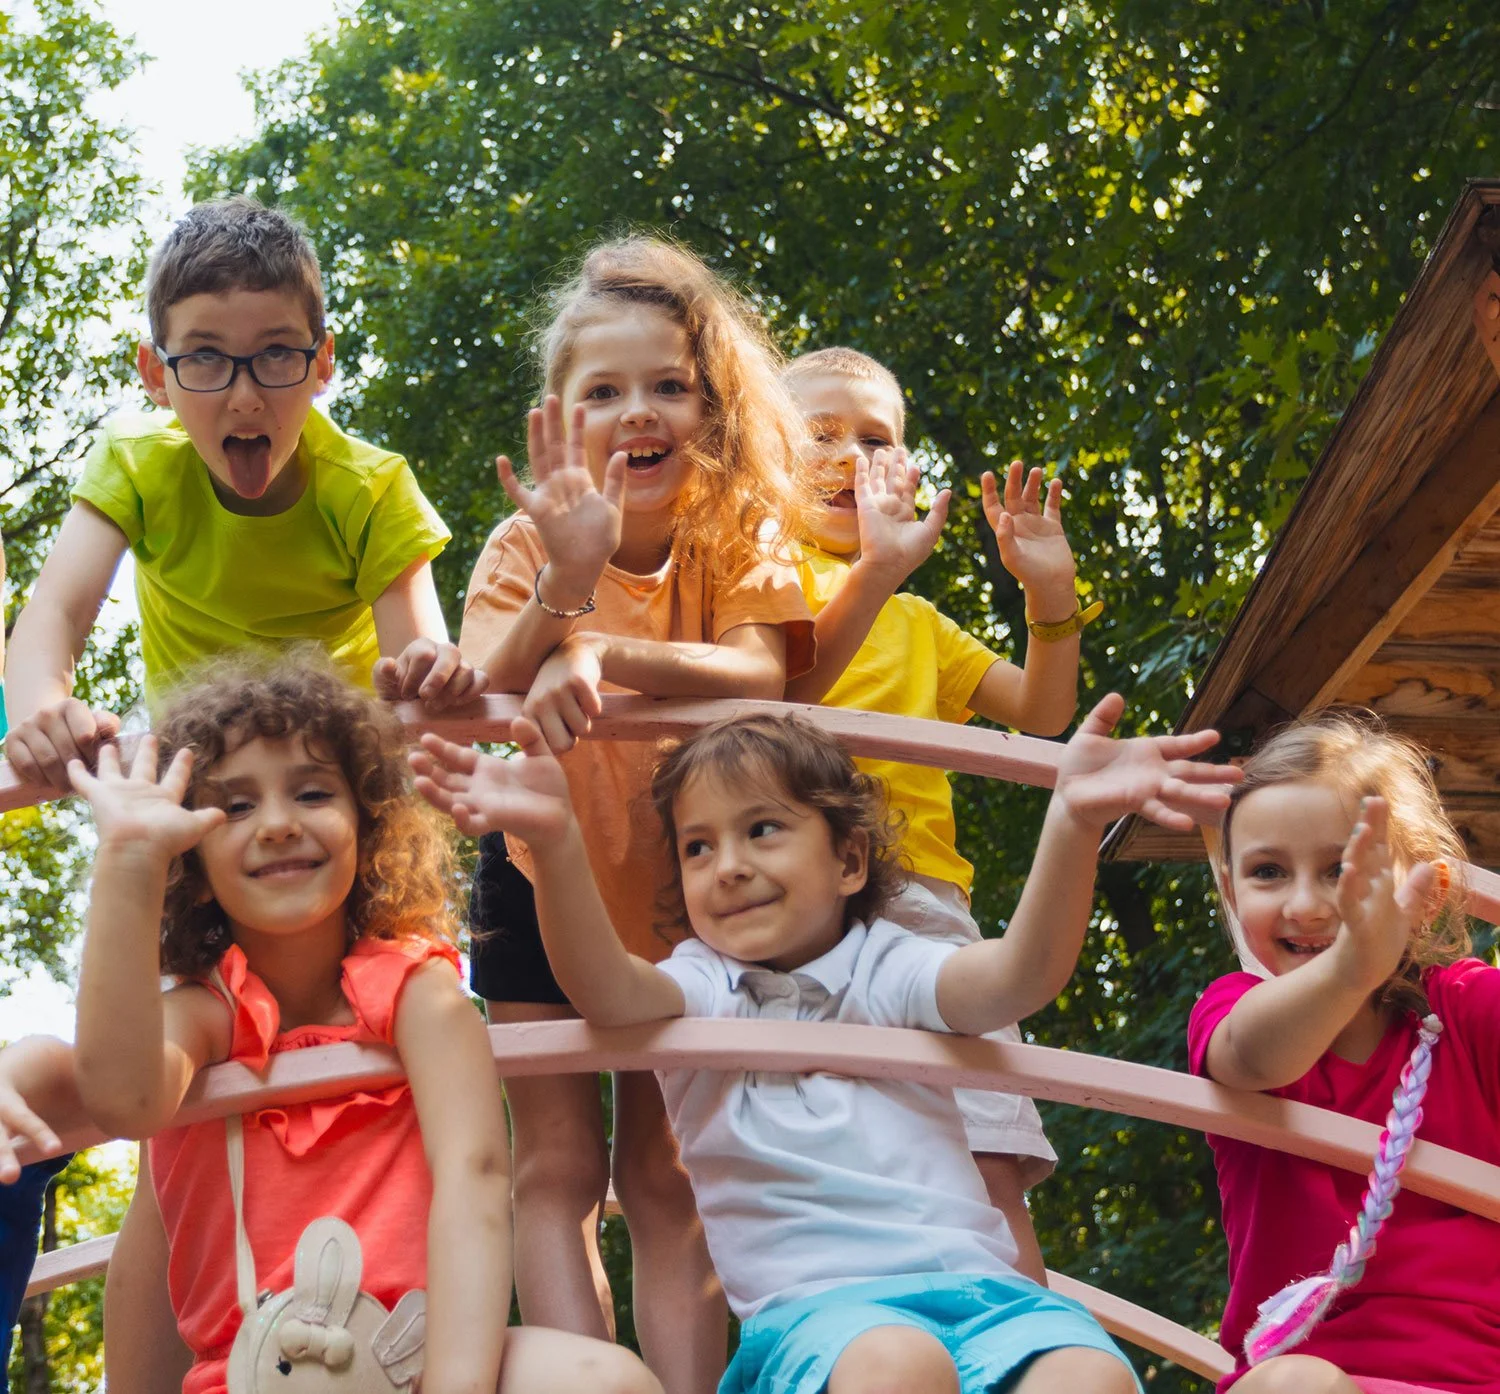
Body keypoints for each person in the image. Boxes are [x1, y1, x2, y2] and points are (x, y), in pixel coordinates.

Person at [411, 699, 1240, 1394]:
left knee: (1086, 1375)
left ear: (848, 858)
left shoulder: (889, 966)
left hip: (988, 1299)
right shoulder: (702, 988)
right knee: (895, 1364)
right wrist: (555, 848)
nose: (727, 866)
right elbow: (606, 990)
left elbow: (1016, 978)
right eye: (698, 846)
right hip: (819, 1325)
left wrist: (1071, 821)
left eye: (762, 829)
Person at [0, 655, 660, 1394]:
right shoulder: (207, 1013)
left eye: (312, 792)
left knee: (606, 1380)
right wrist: (129, 861)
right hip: (256, 1374)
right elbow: (124, 1098)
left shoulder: (418, 993)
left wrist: (456, 1387)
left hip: (422, 1359)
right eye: (237, 806)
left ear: (366, 818)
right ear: (188, 847)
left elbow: (474, 1177)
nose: (279, 824)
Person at [459, 237, 814, 1390]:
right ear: (556, 420)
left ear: (712, 407)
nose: (637, 412)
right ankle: (588, 1379)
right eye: (601, 392)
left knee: (669, 1170)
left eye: (667, 383)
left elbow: (764, 669)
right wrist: (566, 588)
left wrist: (601, 647)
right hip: (537, 864)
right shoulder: (522, 545)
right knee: (553, 1161)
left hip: (686, 888)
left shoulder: (738, 531)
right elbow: (481, 682)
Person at [781, 345, 1094, 1280]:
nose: (845, 457)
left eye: (872, 439)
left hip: (918, 905)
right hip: (787, 914)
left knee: (984, 1160)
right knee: (818, 1172)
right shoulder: (751, 586)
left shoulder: (921, 626)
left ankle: (1029, 1347)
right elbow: (781, 688)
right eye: (817, 435)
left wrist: (1048, 590)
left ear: (906, 470)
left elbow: (1043, 713)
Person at [3, 195, 481, 789]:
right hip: (197, 786)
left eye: (277, 352)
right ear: (156, 374)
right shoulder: (135, 465)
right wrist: (40, 708)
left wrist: (430, 666)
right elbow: (57, 608)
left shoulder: (371, 490)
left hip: (341, 788)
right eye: (205, 356)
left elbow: (419, 665)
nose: (246, 396)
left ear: (322, 363)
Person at [1190, 711, 1500, 1394]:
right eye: (1269, 872)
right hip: (1311, 1376)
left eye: (1341, 870)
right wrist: (1355, 966)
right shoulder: (1233, 1011)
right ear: (1233, 893)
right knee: (1293, 1386)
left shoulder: (1468, 1009)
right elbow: (1257, 1057)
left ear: (1425, 894)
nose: (1305, 904)